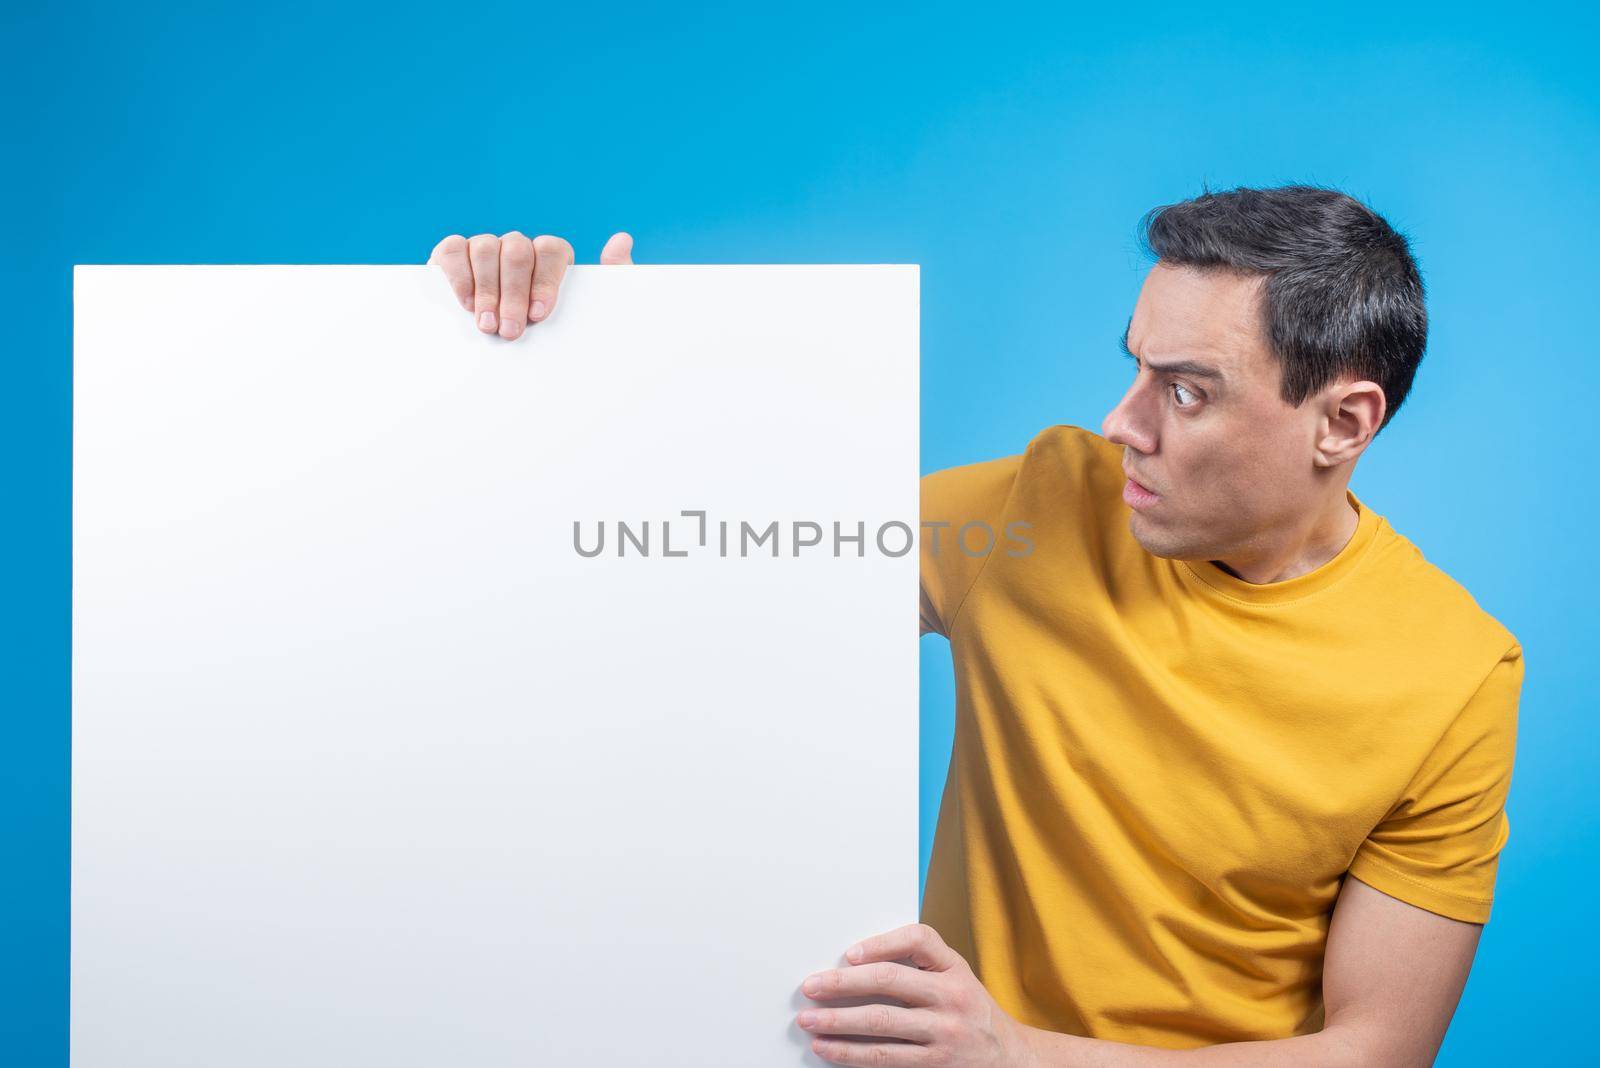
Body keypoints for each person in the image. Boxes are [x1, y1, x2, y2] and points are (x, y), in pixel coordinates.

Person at [426, 184, 1522, 1066]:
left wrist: (1014, 1055)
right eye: (1132, 366)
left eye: (1185, 392)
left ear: (1342, 421)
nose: (1121, 423)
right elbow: (697, 572)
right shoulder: (1040, 505)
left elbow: (1377, 1050)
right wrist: (598, 370)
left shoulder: (1455, 673)